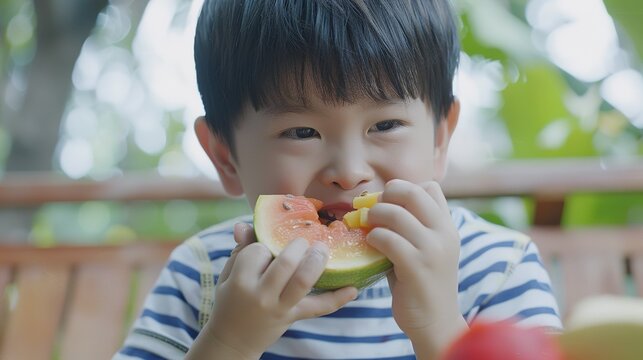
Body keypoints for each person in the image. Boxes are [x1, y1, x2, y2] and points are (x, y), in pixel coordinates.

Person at [115, 0, 562, 359]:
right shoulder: (202, 276)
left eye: (385, 125)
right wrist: (229, 344)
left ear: (440, 139)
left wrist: (439, 325)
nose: (350, 171)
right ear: (225, 156)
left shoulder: (499, 267)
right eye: (301, 132)